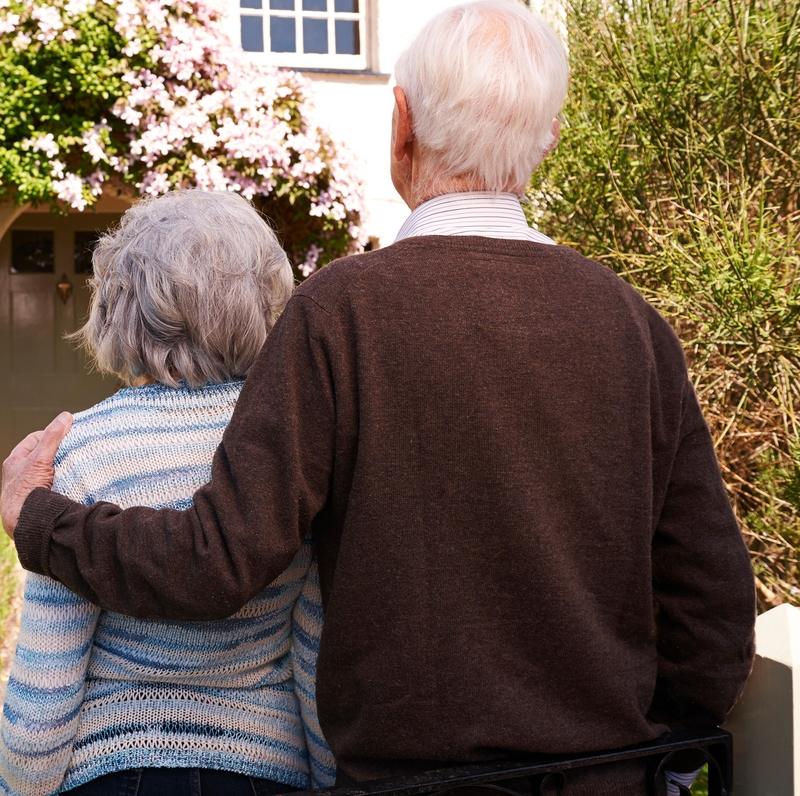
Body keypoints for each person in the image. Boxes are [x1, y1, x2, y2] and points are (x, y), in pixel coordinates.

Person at [1, 2, 755, 794]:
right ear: (549, 141)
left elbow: (218, 562)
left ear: (402, 123)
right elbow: (710, 601)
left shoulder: (342, 311)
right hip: (605, 778)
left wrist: (42, 519)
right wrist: (659, 754)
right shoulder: (632, 323)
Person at [0, 190, 335, 796]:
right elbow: (312, 646)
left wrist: (20, 785)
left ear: (119, 306)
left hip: (112, 767)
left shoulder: (80, 449)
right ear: (267, 302)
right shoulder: (293, 451)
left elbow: (50, 672)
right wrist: (328, 775)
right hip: (265, 767)